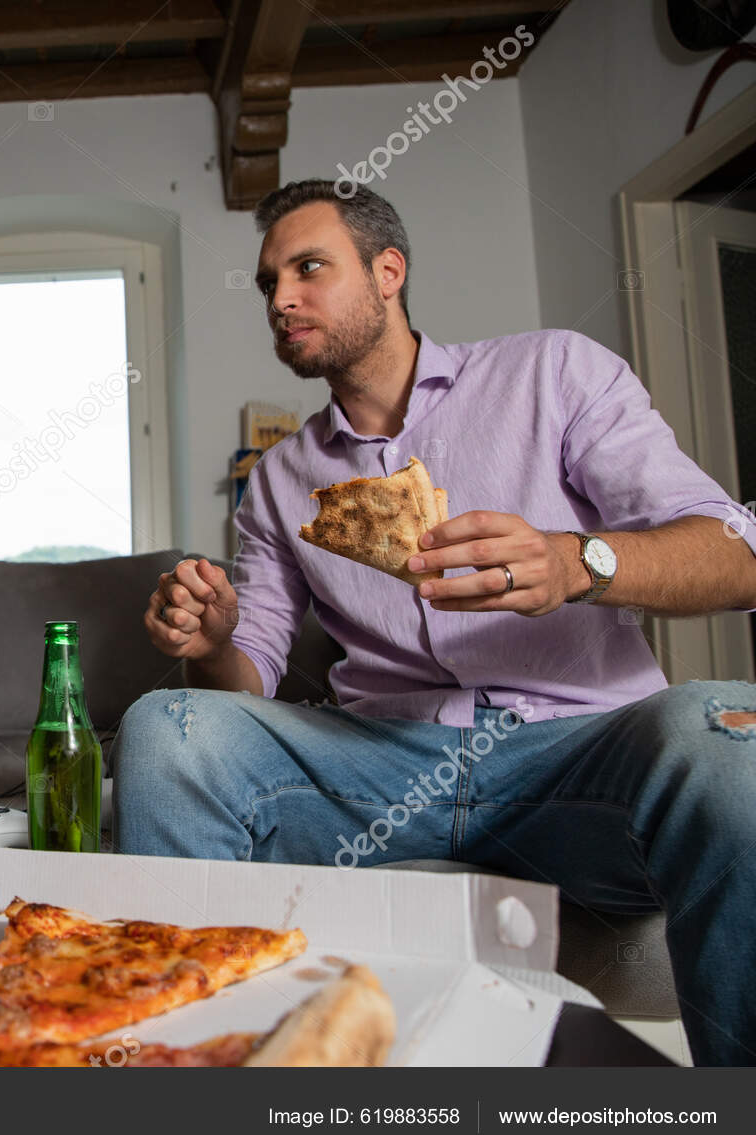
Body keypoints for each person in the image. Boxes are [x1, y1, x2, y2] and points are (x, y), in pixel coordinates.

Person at [115, 178, 756, 1065]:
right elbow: (251, 674)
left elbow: (736, 553)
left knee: (727, 727)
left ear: (388, 272)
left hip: (576, 760)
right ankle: (178, 1080)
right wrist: (217, 639)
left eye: (308, 268)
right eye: (268, 284)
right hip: (378, 769)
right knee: (168, 726)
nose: (281, 300)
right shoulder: (279, 478)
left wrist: (579, 562)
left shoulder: (553, 373)